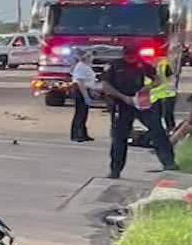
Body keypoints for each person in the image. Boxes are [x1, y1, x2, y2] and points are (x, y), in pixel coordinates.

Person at [101, 49, 176, 178]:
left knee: (157, 130)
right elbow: (105, 85)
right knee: (119, 138)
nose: (132, 59)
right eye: (130, 56)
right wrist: (123, 97)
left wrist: (148, 87)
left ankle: (169, 162)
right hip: (122, 104)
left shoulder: (142, 65)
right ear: (125, 55)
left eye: (134, 57)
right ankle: (115, 170)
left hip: (141, 103)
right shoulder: (114, 66)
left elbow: (157, 79)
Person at [68, 47, 98, 142]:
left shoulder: (86, 66)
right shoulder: (81, 66)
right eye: (89, 56)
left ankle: (83, 134)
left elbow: (89, 81)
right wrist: (86, 96)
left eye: (91, 56)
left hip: (85, 90)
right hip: (80, 91)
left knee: (84, 114)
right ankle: (76, 135)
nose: (91, 57)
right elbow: (80, 82)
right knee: (80, 114)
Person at [150, 51, 179, 130]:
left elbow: (170, 78)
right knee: (156, 115)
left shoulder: (163, 64)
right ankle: (159, 130)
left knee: (167, 114)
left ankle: (170, 129)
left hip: (167, 93)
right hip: (156, 94)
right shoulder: (145, 65)